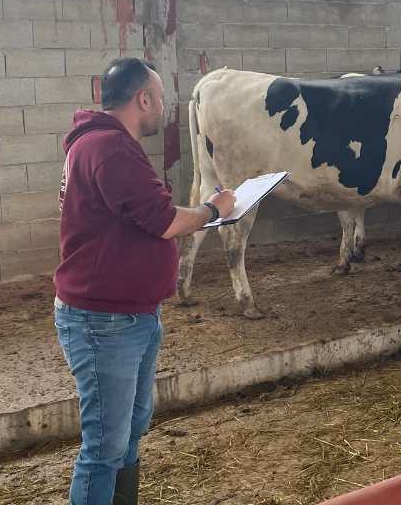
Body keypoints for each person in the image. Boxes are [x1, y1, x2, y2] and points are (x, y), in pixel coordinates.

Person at [53, 57, 235, 505]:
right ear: (143, 99)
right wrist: (215, 210)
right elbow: (161, 220)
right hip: (105, 319)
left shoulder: (107, 144)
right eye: (161, 100)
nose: (164, 109)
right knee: (104, 447)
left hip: (130, 315)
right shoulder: (109, 149)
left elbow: (142, 215)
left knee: (129, 431)